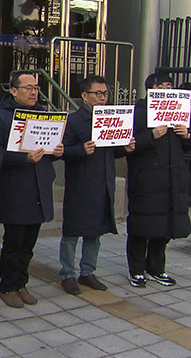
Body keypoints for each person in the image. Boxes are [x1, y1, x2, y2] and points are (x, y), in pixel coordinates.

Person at [0, 71, 64, 308]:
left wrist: (56, 152)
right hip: (15, 188)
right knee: (14, 241)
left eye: (36, 88)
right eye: (28, 87)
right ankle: (8, 286)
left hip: (39, 186)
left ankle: (22, 283)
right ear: (14, 91)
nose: (34, 92)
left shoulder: (43, 114)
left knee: (29, 242)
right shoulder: (0, 118)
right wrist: (23, 158)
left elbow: (46, 152)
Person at [59, 75, 135, 295]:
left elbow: (113, 149)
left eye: (105, 94)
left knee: (96, 232)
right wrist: (81, 150)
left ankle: (88, 271)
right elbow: (62, 150)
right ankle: (67, 274)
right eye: (98, 94)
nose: (103, 98)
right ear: (85, 96)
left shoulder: (112, 118)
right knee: (72, 233)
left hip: (103, 181)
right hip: (81, 184)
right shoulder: (74, 120)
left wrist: (126, 148)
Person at [126, 73, 191, 288]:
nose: (167, 90)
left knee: (165, 226)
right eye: (162, 86)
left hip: (172, 180)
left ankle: (157, 268)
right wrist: (151, 136)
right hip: (146, 180)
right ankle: (137, 270)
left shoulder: (178, 111)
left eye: (170, 86)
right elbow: (126, 146)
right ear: (151, 89)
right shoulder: (138, 113)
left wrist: (187, 135)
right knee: (142, 225)